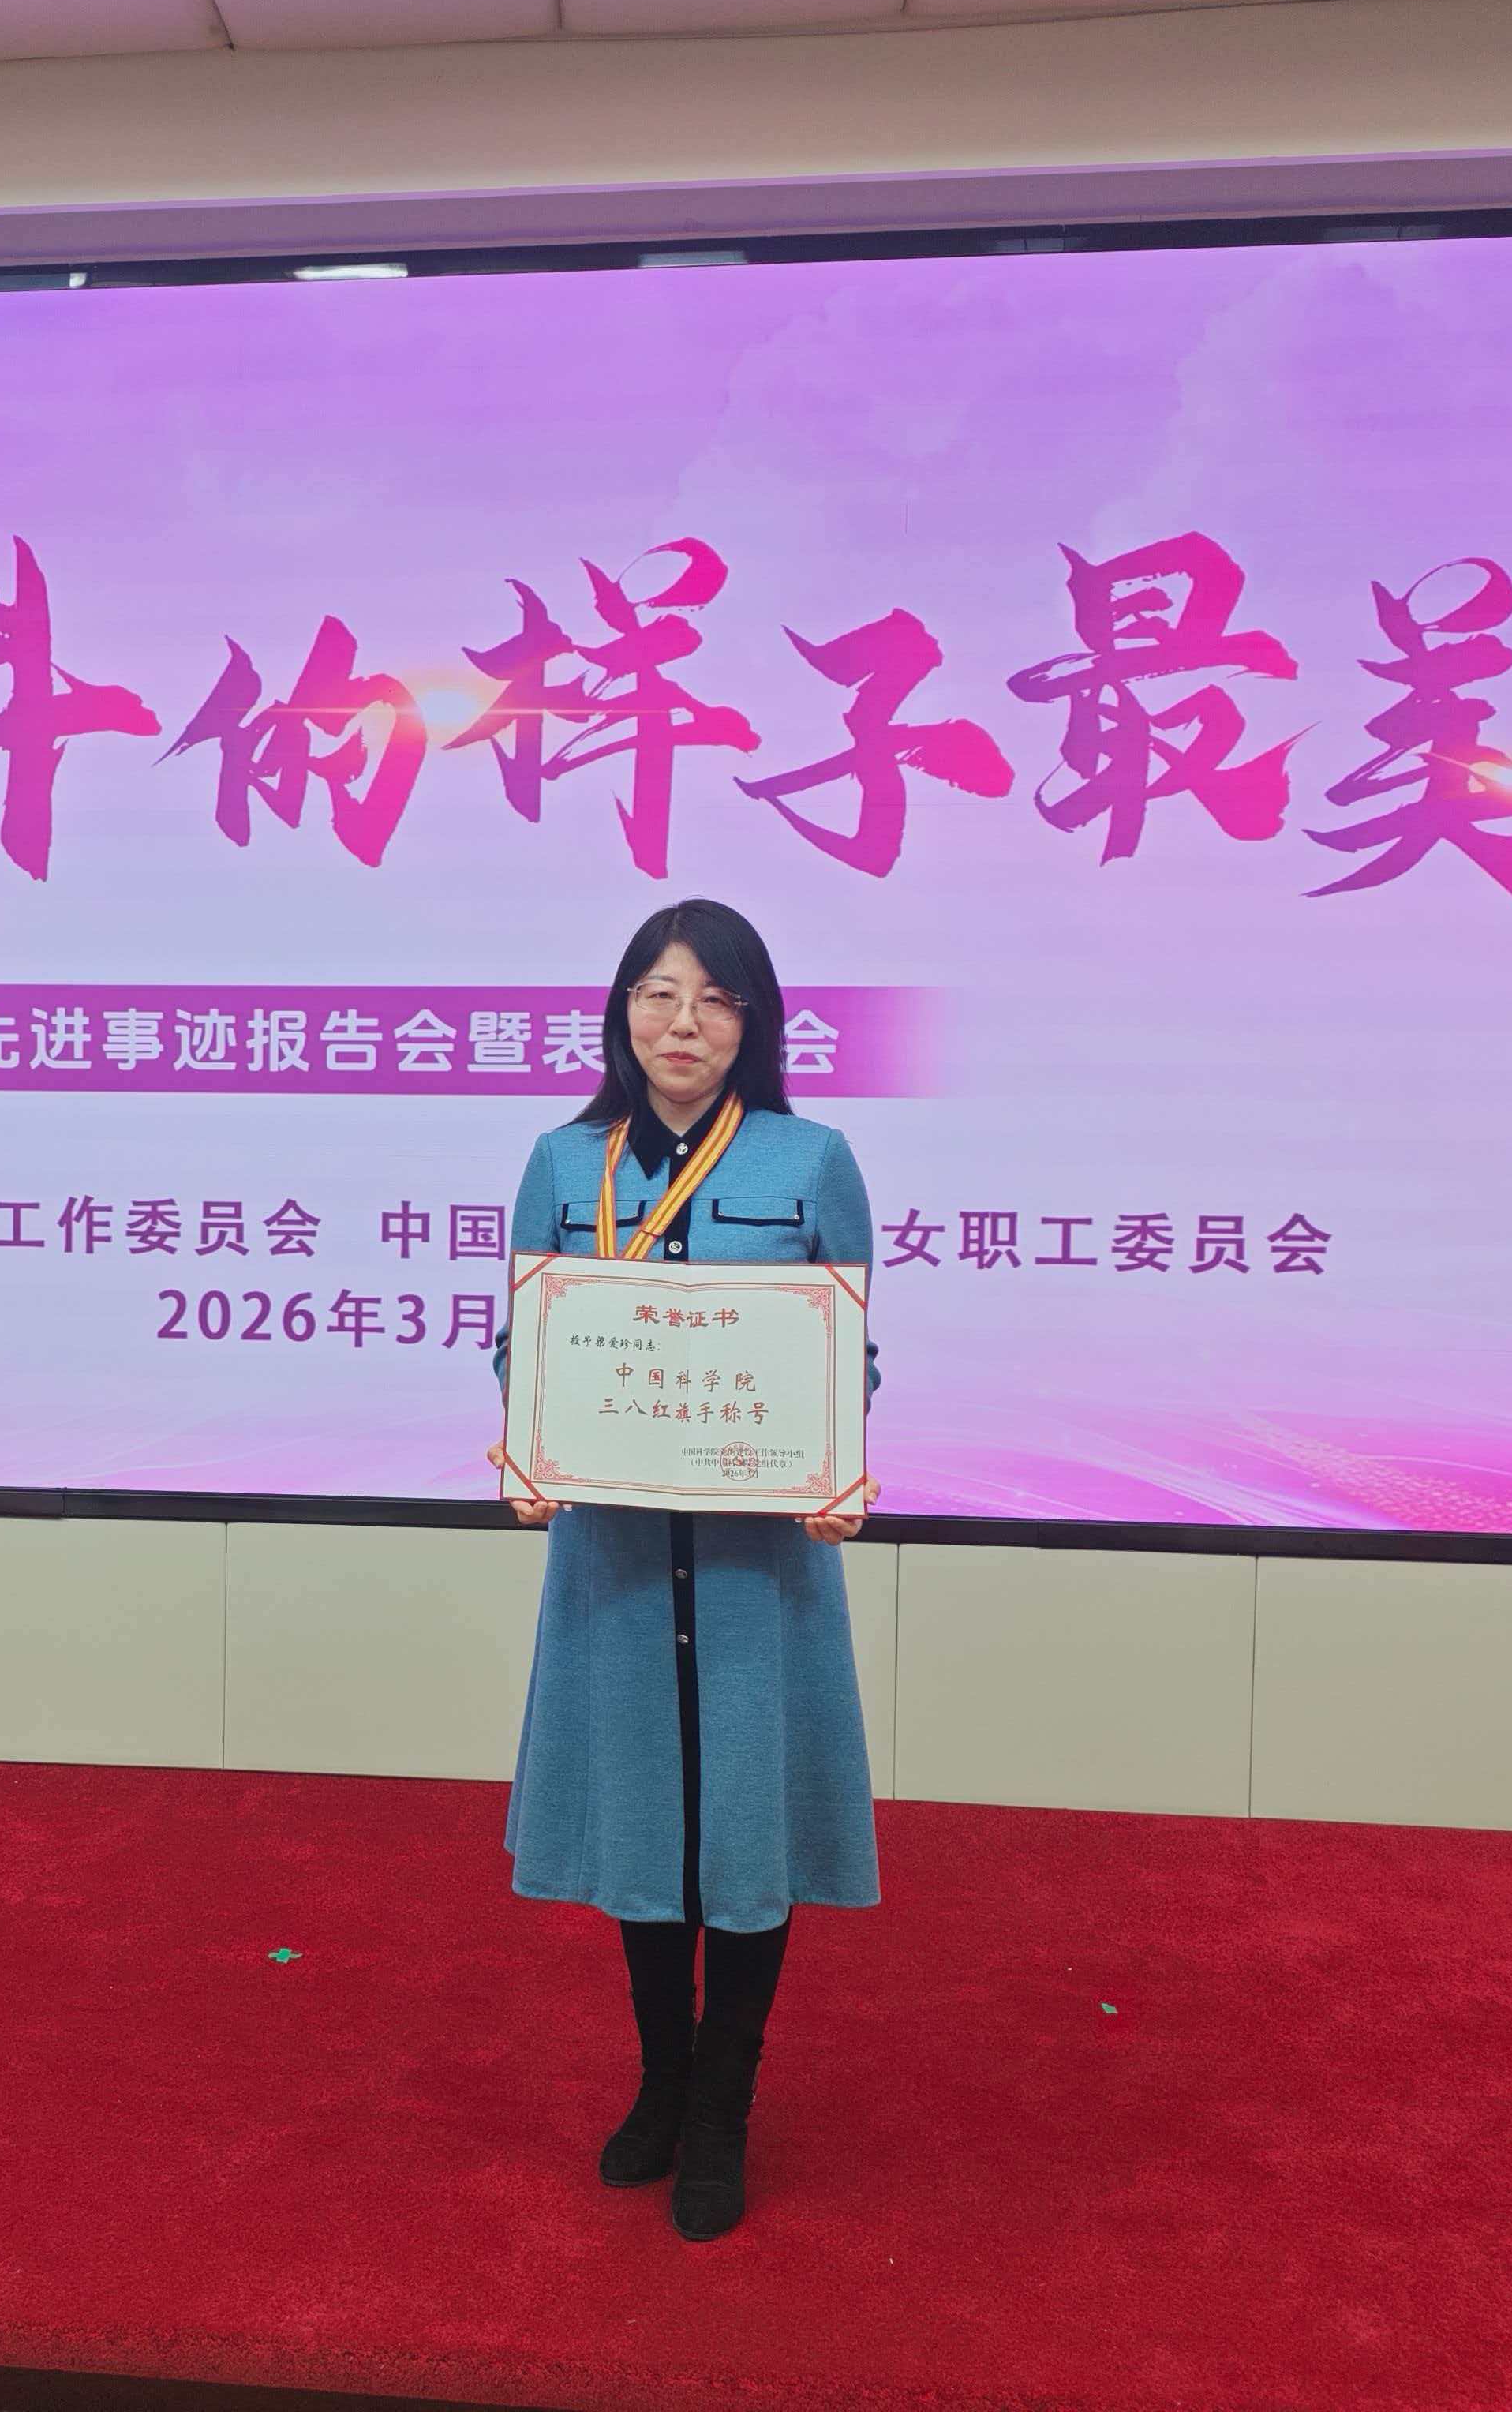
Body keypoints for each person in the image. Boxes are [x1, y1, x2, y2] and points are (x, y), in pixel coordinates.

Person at [483, 896, 881, 2242]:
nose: (683, 1023)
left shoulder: (813, 1158)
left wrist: (835, 1467)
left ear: (751, 1022)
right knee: (646, 1827)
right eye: (658, 993)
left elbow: (846, 1352)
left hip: (762, 1565)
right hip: (615, 1560)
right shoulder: (562, 1160)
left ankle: (723, 2109)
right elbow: (524, 1343)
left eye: (714, 998)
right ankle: (659, 2083)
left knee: (747, 1833)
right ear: (622, 1013)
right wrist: (528, 1445)